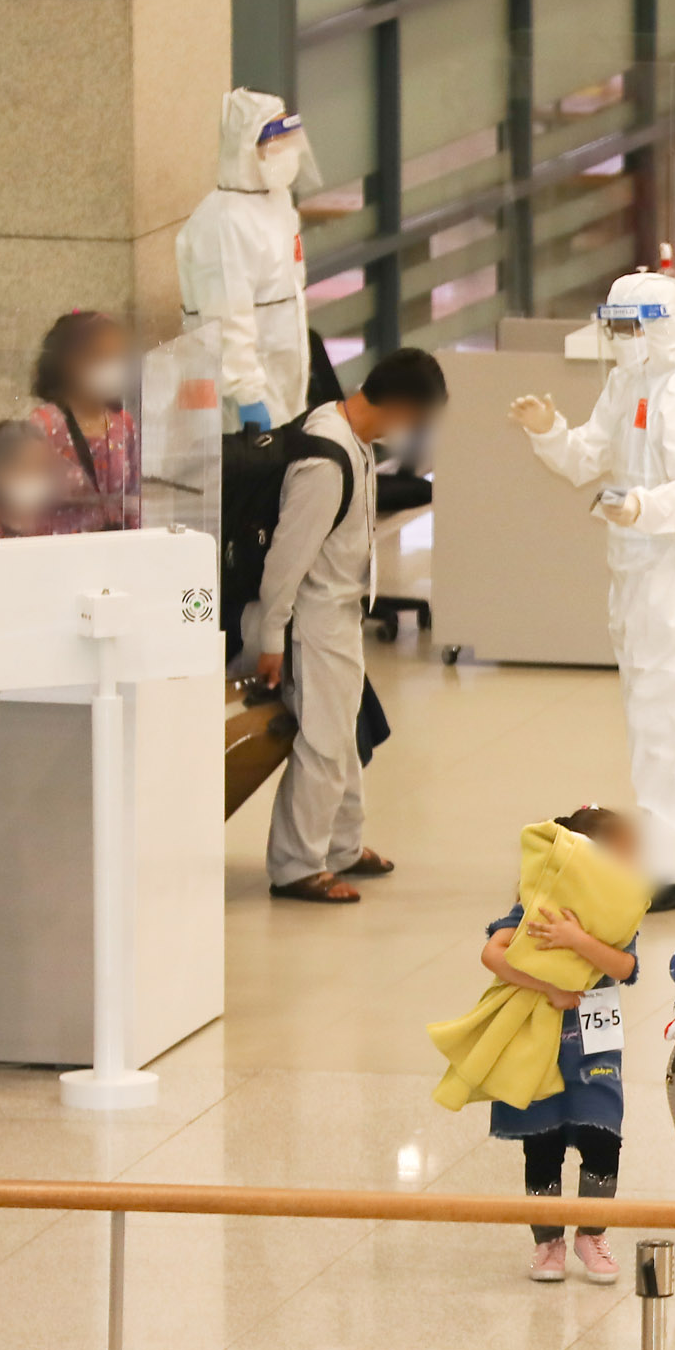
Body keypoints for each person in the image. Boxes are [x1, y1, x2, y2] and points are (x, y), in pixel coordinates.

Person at [508, 270, 675, 910]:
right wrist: (550, 430)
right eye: (612, 326)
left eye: (627, 326)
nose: (619, 338)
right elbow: (589, 454)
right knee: (662, 718)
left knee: (671, 722)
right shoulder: (630, 380)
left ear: (660, 325)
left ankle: (670, 866)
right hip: (638, 570)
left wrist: (641, 506)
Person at [260, 348, 448, 903]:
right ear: (401, 407)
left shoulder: (354, 440)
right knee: (322, 741)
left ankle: (341, 845)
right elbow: (286, 560)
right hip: (314, 617)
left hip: (342, 612)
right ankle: (296, 865)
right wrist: (271, 639)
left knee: (342, 735)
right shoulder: (326, 460)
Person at [479, 807, 641, 1284]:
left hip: (596, 1047)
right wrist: (546, 987)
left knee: (603, 1137)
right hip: (543, 1049)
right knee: (542, 1143)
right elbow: (493, 952)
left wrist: (576, 938)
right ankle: (547, 1242)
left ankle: (591, 1235)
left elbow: (625, 967)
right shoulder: (536, 904)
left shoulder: (616, 913)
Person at [177, 89, 314, 433]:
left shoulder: (277, 202)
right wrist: (246, 393)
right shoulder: (224, 221)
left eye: (287, 140)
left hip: (282, 380)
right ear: (246, 146)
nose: (284, 153)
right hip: (239, 397)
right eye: (274, 142)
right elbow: (226, 317)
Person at [28, 311, 141, 533]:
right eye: (101, 356)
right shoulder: (45, 424)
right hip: (61, 549)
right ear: (70, 363)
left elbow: (135, 494)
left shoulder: (124, 424)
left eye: (119, 358)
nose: (113, 367)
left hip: (117, 546)